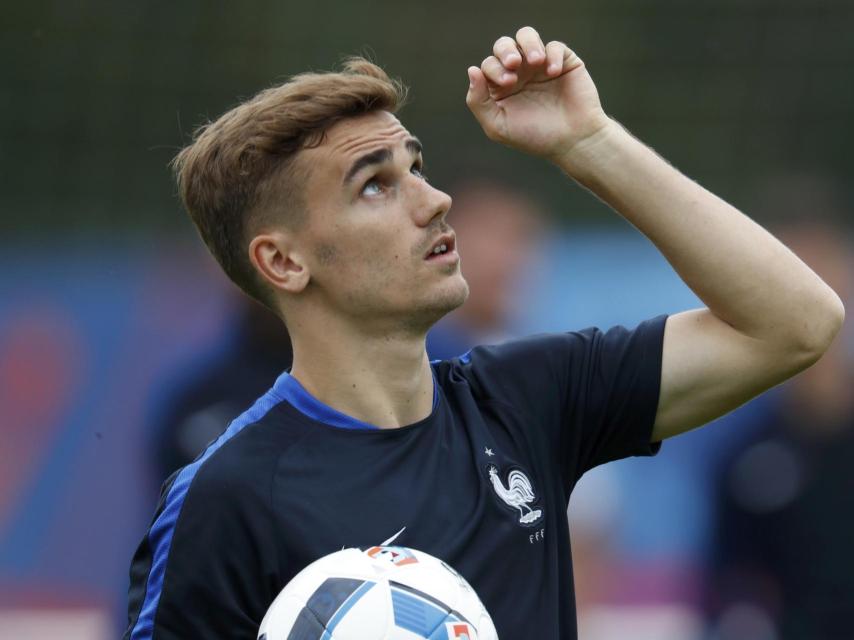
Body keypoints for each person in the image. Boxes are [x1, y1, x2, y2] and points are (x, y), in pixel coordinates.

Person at [123, 27, 844, 640]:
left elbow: (796, 323)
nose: (434, 201)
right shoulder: (226, 497)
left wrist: (588, 143)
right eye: (376, 184)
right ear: (283, 261)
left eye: (417, 167)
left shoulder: (526, 398)